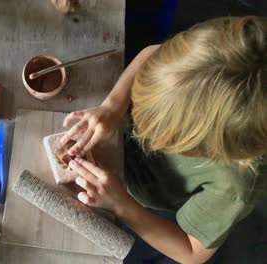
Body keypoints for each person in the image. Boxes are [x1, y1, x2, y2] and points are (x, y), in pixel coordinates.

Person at [60, 16, 266, 263]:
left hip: (155, 204)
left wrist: (122, 205)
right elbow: (152, 53)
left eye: (159, 136)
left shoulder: (234, 188)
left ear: (206, 150)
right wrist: (113, 107)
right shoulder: (213, 51)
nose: (142, 134)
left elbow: (191, 252)